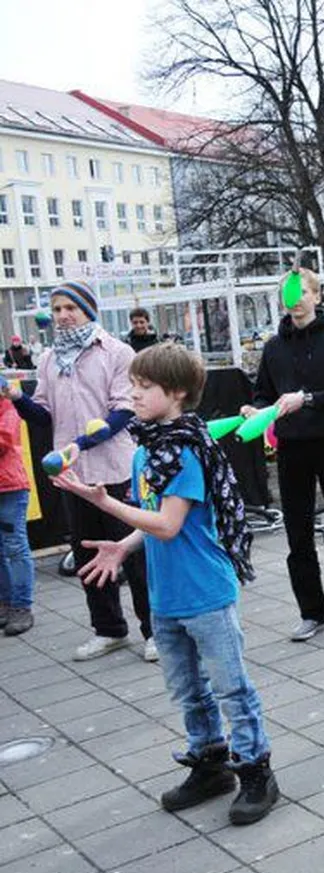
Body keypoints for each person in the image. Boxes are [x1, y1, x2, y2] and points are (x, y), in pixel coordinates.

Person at [54, 343, 279, 824]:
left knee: (231, 690)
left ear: (176, 393)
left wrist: (105, 504)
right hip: (167, 596)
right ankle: (211, 765)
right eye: (132, 384)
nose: (132, 394)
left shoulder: (183, 451)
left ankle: (257, 772)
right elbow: (154, 521)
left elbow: (170, 524)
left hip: (206, 593)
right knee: (188, 691)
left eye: (144, 386)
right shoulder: (148, 448)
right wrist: (124, 546)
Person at [8, 280, 154, 661]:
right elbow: (44, 417)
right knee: (88, 552)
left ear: (88, 309)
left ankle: (154, 630)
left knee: (132, 553)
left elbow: (124, 412)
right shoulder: (48, 359)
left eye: (69, 308)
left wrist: (81, 444)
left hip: (116, 468)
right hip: (72, 475)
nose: (62, 316)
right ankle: (109, 630)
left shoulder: (117, 352)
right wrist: (19, 400)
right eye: (56, 309)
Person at [245, 268, 324, 642]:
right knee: (297, 536)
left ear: (317, 296)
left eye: (303, 291)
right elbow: (262, 394)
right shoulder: (273, 346)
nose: (296, 299)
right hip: (291, 449)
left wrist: (309, 399)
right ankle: (312, 612)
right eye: (289, 292)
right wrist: (257, 411)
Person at [0, 390, 34, 637]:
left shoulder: (6, 407)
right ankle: (6, 604)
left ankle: (21, 606)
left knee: (14, 547)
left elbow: (3, 440)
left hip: (10, 489)